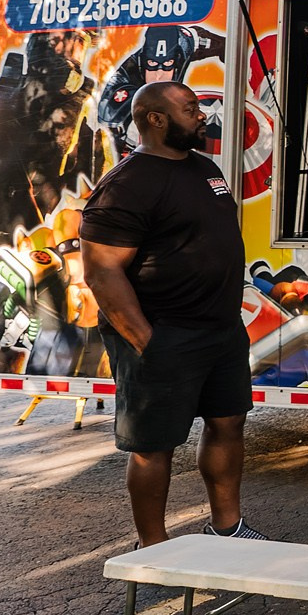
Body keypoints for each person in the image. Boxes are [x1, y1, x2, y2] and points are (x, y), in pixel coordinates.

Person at [79, 80, 261, 545]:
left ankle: (228, 527)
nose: (201, 115)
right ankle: (152, 547)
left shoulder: (204, 168)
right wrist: (146, 341)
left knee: (228, 423)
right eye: (189, 108)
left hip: (219, 331)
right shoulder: (126, 184)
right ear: (155, 119)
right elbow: (103, 274)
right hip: (163, 336)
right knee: (152, 446)